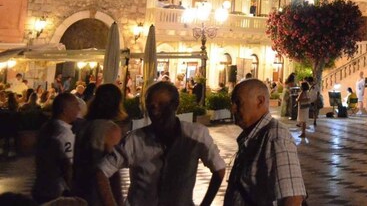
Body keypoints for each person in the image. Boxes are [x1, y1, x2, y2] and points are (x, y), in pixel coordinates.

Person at [96, 81, 225, 206]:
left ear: (175, 105)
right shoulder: (135, 140)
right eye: (151, 107)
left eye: (162, 106)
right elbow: (101, 171)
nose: (155, 112)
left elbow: (219, 169)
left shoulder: (196, 135)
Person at [225, 79, 307, 205]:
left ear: (260, 101)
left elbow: (292, 199)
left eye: (238, 102)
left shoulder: (275, 137)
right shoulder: (252, 136)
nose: (233, 108)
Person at [74, 83, 126, 206]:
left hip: (79, 189)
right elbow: (112, 172)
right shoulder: (111, 129)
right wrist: (117, 201)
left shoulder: (83, 126)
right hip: (98, 195)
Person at [32, 92, 80, 203]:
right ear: (64, 110)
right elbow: (67, 165)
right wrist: (73, 190)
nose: (79, 109)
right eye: (76, 105)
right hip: (57, 191)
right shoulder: (64, 132)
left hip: (41, 186)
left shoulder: (46, 127)